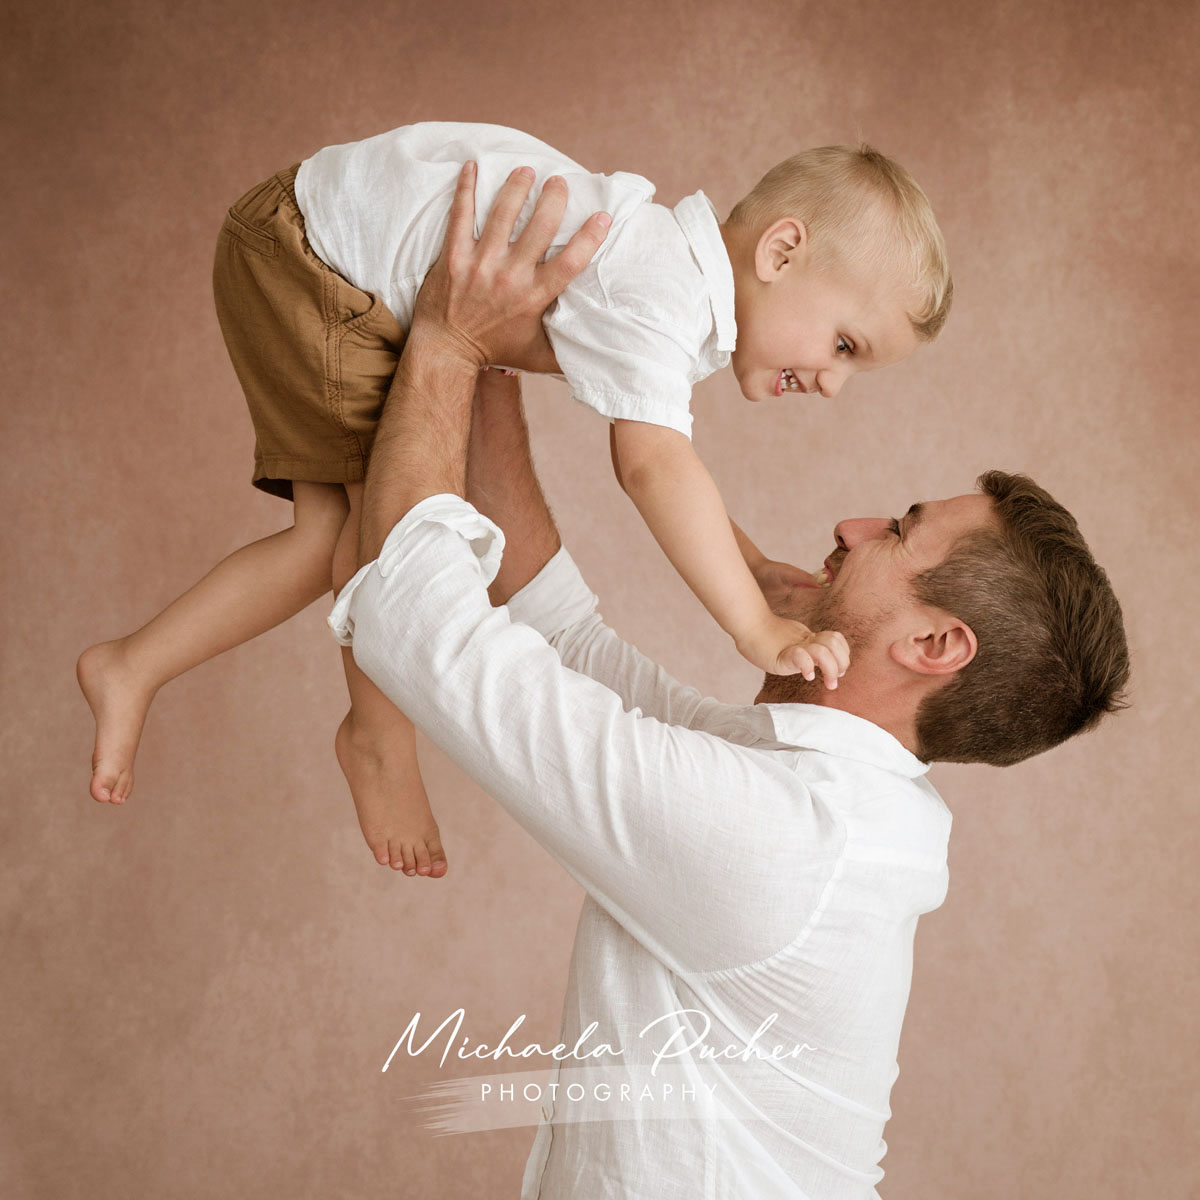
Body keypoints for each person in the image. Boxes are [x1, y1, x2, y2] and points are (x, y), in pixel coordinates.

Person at [329, 166, 1129, 1197]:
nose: (848, 526)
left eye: (895, 530)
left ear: (936, 646)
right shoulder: (814, 799)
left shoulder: (781, 844)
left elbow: (415, 621)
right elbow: (557, 628)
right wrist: (494, 356)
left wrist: (443, 339)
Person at [77, 121, 951, 880]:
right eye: (843, 344)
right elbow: (652, 467)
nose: (833, 383)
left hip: (314, 239)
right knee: (368, 544)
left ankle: (134, 664)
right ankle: (375, 739)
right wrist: (752, 626)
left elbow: (668, 459)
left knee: (332, 535)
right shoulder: (663, 291)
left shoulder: (669, 288)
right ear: (782, 251)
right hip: (317, 258)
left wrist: (753, 566)